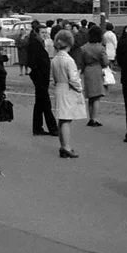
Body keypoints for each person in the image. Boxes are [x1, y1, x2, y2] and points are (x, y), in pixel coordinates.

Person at [51, 29, 88, 158]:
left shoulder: (55, 59)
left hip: (59, 87)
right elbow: (73, 78)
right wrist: (79, 88)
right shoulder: (69, 60)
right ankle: (66, 146)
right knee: (66, 119)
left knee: (62, 118)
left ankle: (63, 145)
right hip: (67, 88)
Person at [27, 22, 58, 136]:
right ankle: (53, 128)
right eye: (42, 32)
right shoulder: (34, 44)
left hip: (41, 76)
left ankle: (37, 127)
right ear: (37, 33)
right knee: (45, 103)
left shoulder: (39, 43)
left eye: (46, 32)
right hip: (39, 77)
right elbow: (33, 62)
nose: (45, 34)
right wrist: (38, 74)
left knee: (40, 103)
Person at [80, 26, 109, 127]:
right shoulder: (100, 48)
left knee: (91, 97)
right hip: (97, 70)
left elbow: (81, 62)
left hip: (87, 70)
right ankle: (94, 119)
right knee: (97, 97)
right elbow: (105, 62)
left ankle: (90, 117)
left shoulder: (84, 47)